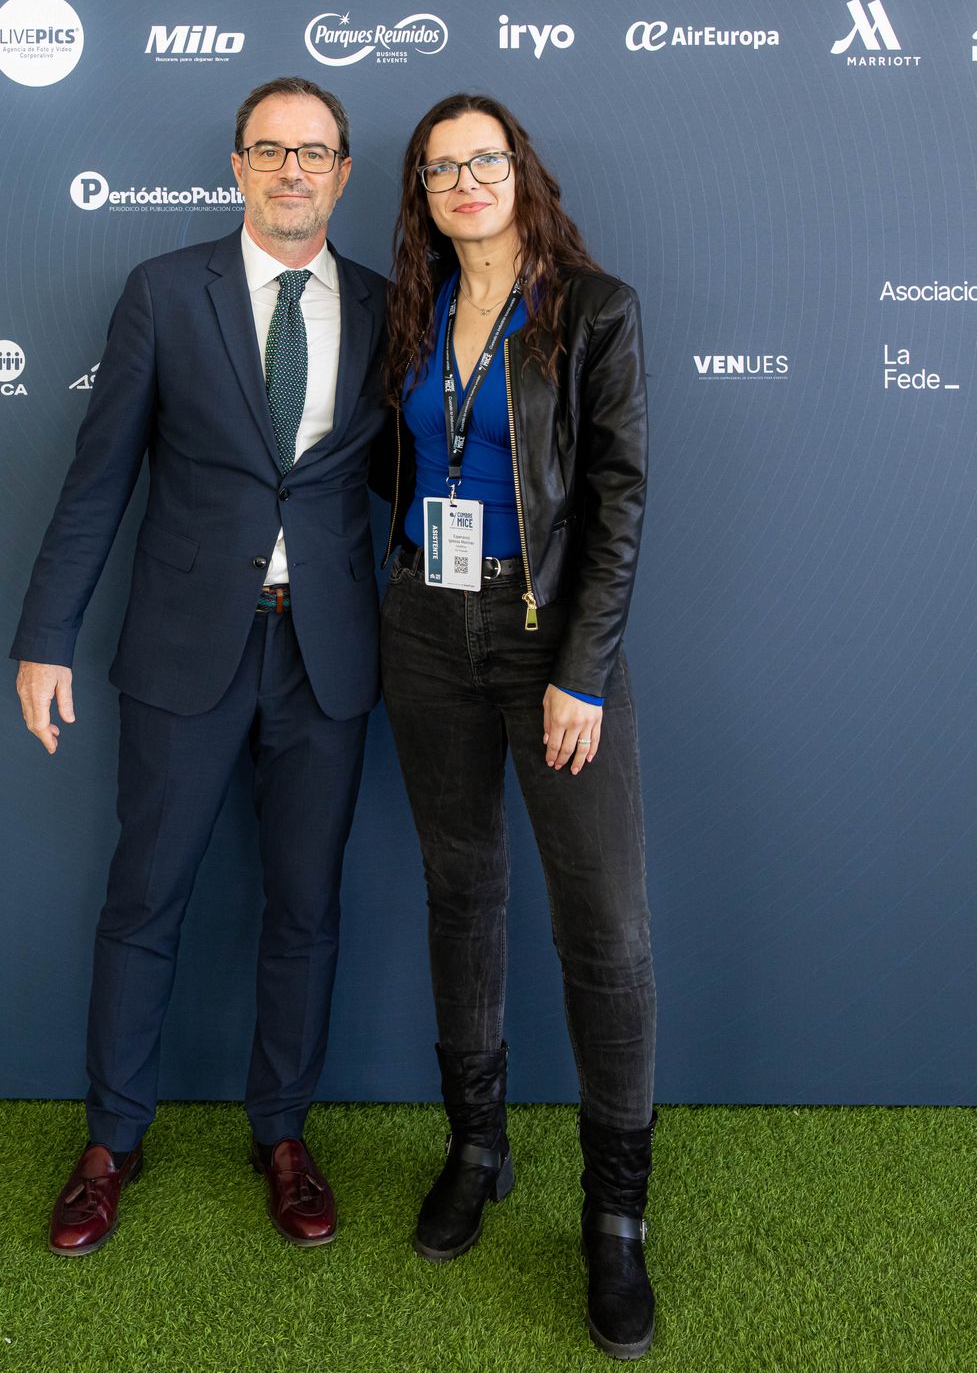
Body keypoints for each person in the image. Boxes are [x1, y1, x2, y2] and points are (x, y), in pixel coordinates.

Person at [10, 77, 386, 1257]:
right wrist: (46, 634)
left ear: (343, 173)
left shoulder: (386, 308)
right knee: (145, 902)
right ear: (237, 167)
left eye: (312, 152)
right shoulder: (166, 293)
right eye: (269, 150)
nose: (291, 171)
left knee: (306, 909)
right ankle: (111, 1143)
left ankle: (283, 1135)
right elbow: (98, 479)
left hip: (327, 656)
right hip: (184, 650)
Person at [378, 93, 657, 1360]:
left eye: (482, 160)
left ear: (520, 170)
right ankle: (478, 1150)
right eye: (441, 170)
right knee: (462, 894)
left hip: (551, 640)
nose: (465, 183)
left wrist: (582, 672)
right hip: (425, 628)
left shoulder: (594, 311)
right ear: (423, 195)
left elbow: (619, 499)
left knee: (605, 930)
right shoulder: (413, 308)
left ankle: (615, 1217)